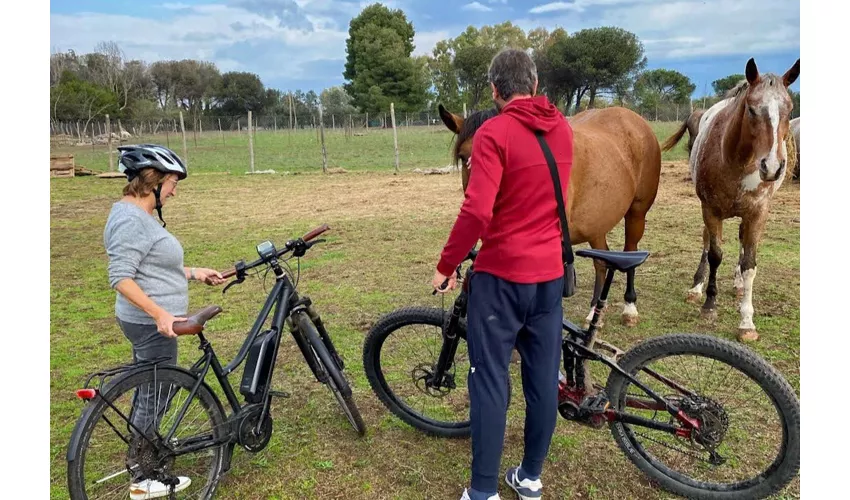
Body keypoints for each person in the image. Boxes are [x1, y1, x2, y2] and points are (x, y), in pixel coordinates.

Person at [432, 49, 574, 500]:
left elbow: (476, 208)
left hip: (501, 278)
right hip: (550, 276)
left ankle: (483, 491)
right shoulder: (563, 129)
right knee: (542, 380)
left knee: (490, 379)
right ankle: (530, 477)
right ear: (533, 84)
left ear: (495, 90)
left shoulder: (493, 133)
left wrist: (446, 264)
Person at [103, 143, 225, 499]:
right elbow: (121, 277)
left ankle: (144, 452)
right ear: (153, 181)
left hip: (148, 321)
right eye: (172, 181)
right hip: (151, 324)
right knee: (153, 395)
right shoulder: (130, 219)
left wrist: (192, 272)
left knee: (152, 389)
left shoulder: (135, 216)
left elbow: (151, 265)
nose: (175, 189)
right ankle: (143, 475)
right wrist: (160, 314)